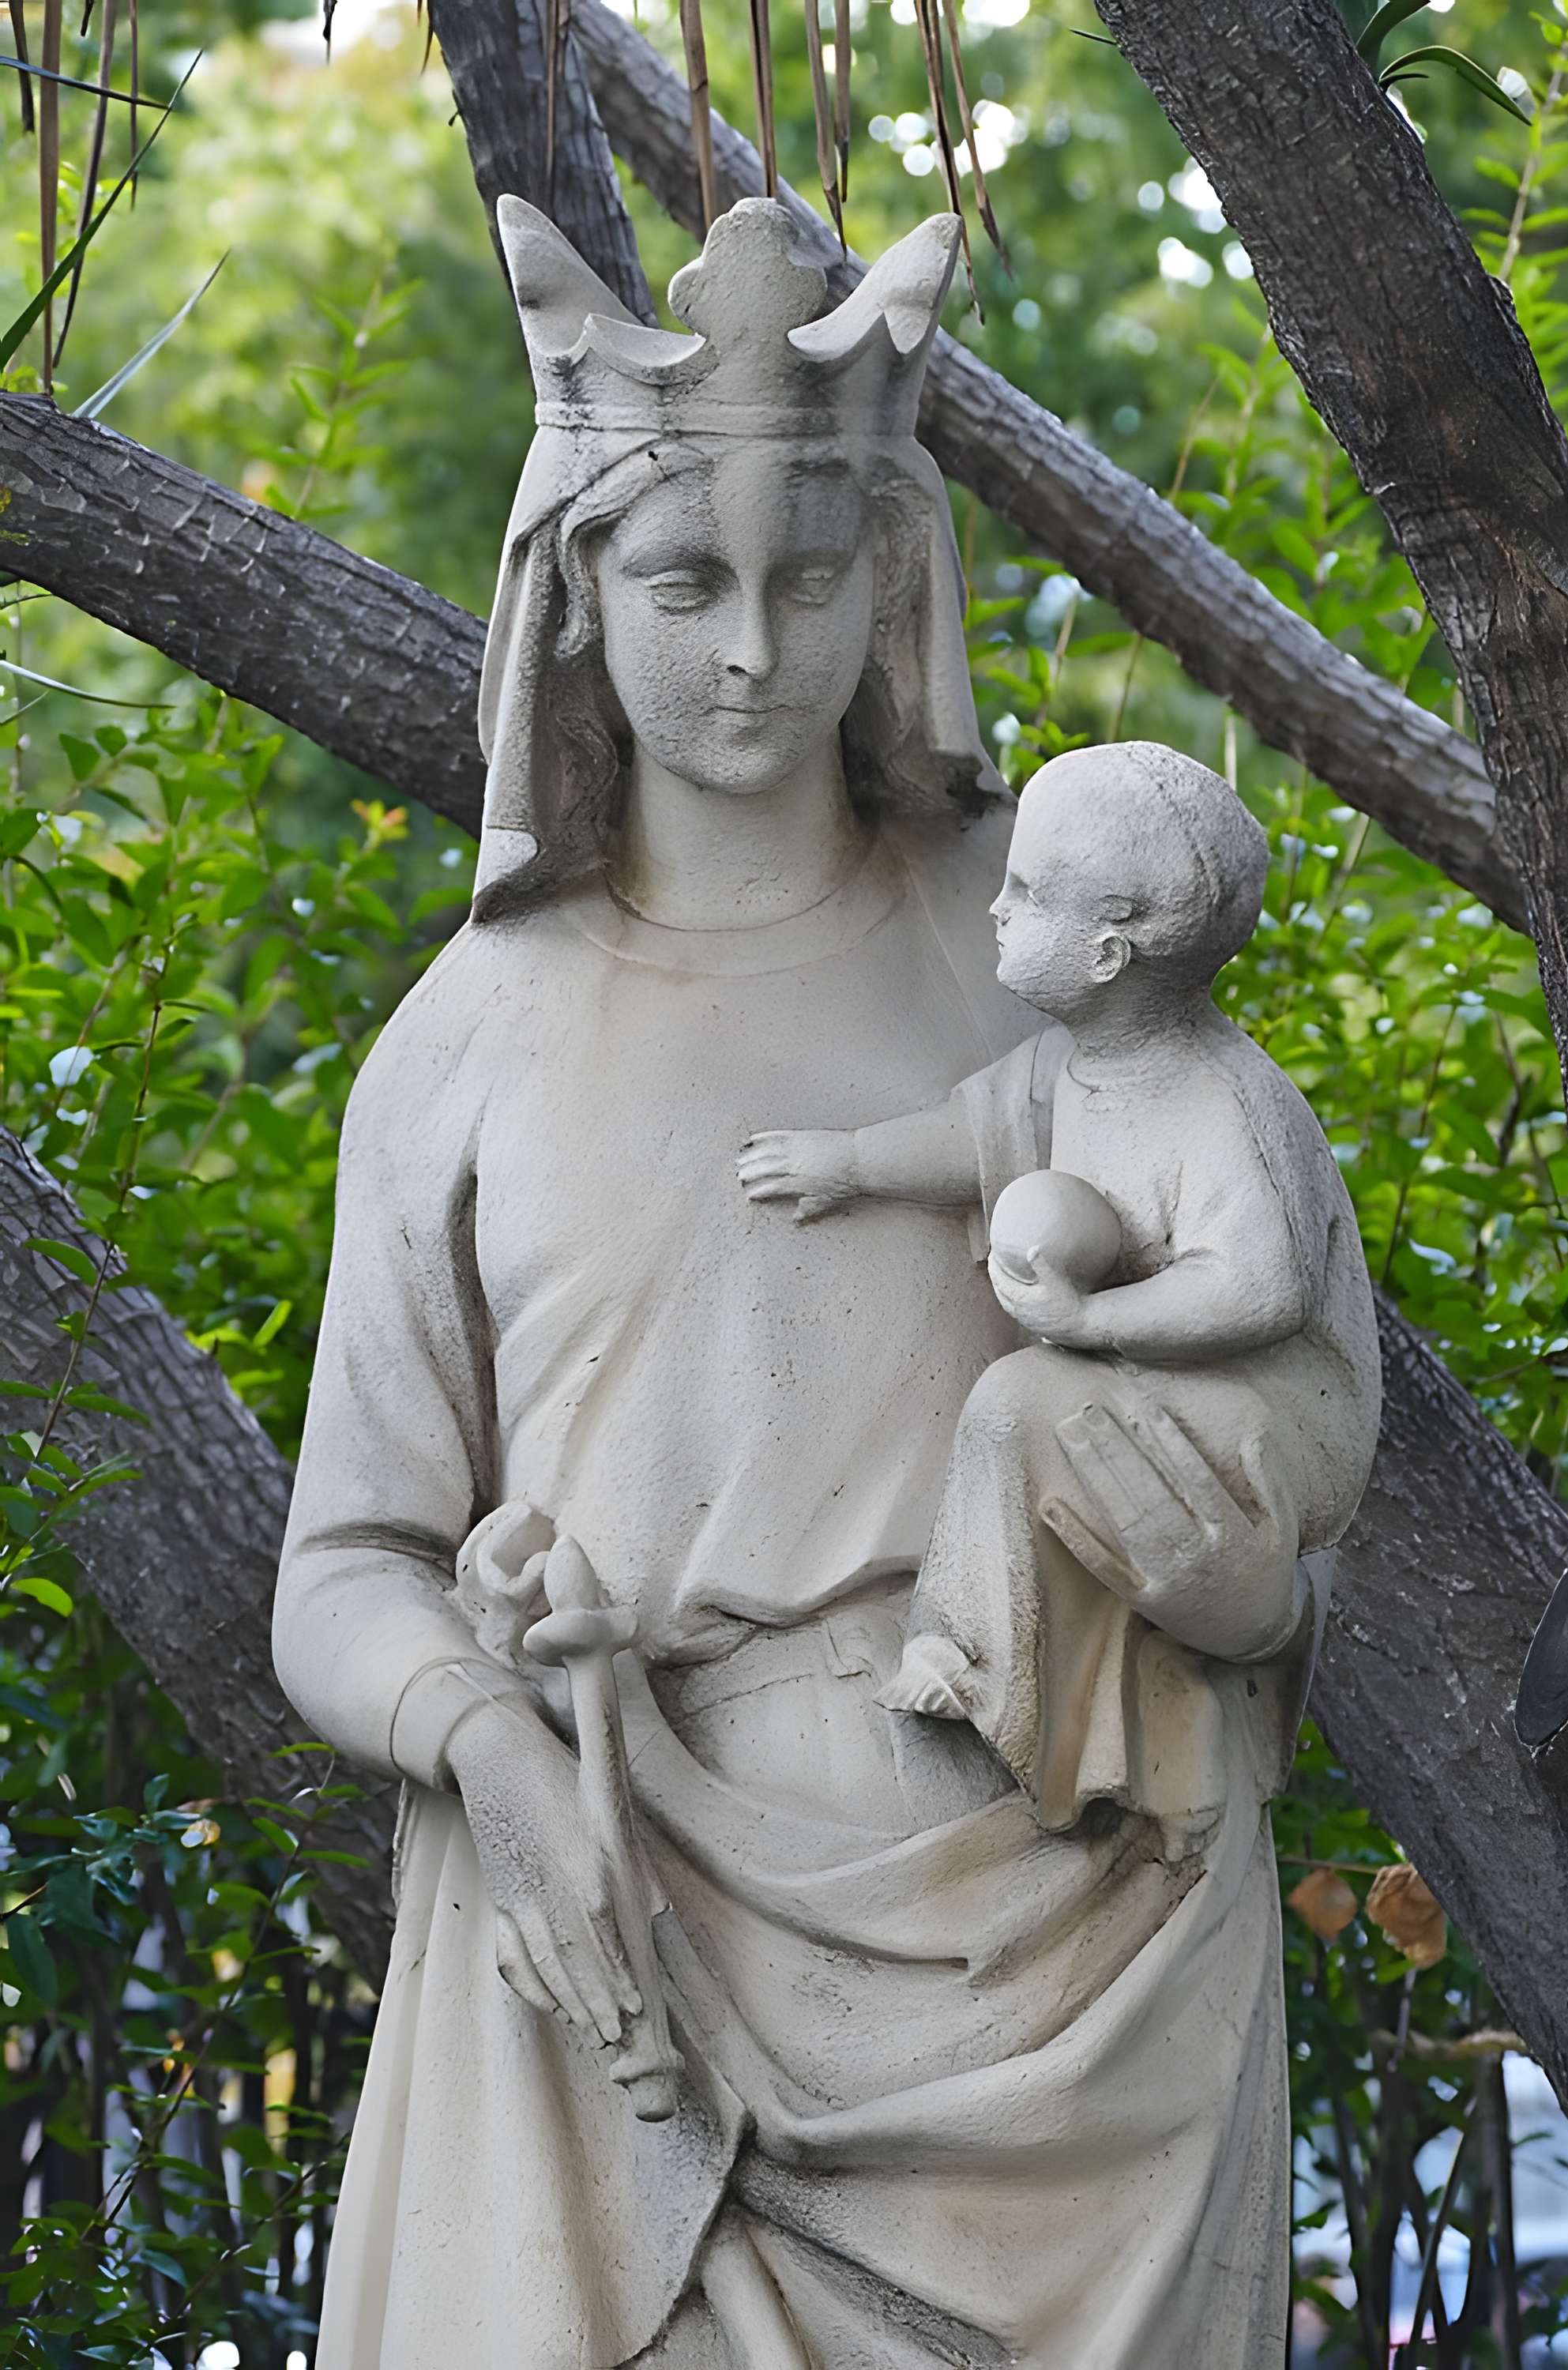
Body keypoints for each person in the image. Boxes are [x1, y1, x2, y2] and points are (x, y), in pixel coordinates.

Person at [274, 200, 1339, 2369]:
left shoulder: (1046, 951)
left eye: (813, 574)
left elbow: (1292, 1381)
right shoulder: (467, 1043)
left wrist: (1239, 1568)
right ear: (577, 598)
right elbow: (346, 1564)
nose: (751, 646)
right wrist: (486, 1739)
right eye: (684, 581)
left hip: (1074, 1947)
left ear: (900, 577)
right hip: (622, 1947)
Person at [740, 741, 1381, 1842]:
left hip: (1280, 1415)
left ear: (1107, 947)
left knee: (1018, 1403)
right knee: (1032, 1410)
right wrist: (847, 1164)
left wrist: (1091, 1321)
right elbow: (971, 1134)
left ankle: (981, 1660)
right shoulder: (1072, 1062)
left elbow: (1261, 1287)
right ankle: (1011, 1662)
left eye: (1028, 893)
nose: (995, 908)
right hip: (1171, 1385)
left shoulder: (1220, 1098)